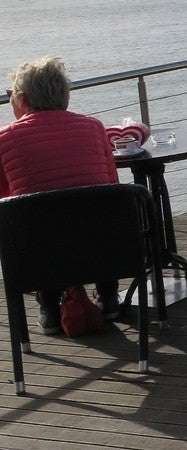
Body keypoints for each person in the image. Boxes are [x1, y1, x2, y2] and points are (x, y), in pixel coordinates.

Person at [0, 56, 121, 334]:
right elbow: (112, 185)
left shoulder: (4, 138)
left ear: (21, 99)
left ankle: (50, 308)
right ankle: (109, 296)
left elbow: (5, 197)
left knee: (34, 222)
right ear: (64, 97)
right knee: (98, 212)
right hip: (105, 251)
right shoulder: (94, 127)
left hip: (41, 255)